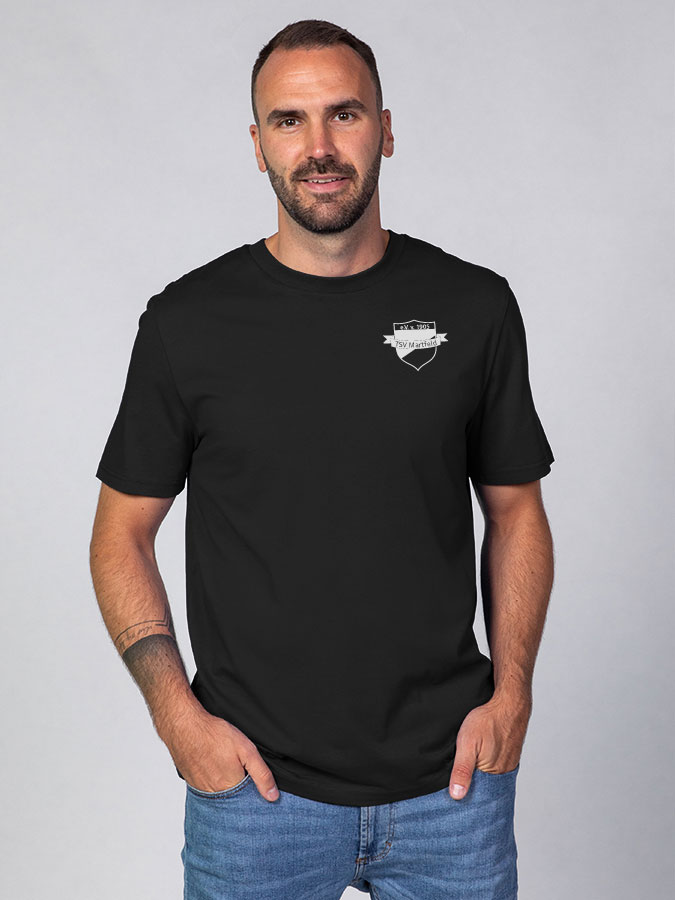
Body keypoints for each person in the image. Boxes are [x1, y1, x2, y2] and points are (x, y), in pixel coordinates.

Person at [89, 18, 555, 900]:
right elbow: (119, 534)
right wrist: (177, 719)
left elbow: (515, 511)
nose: (319, 147)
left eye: (344, 114)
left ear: (386, 129)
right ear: (257, 144)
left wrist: (513, 697)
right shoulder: (187, 324)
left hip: (451, 790)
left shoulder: (474, 306)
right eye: (288, 120)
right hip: (255, 795)